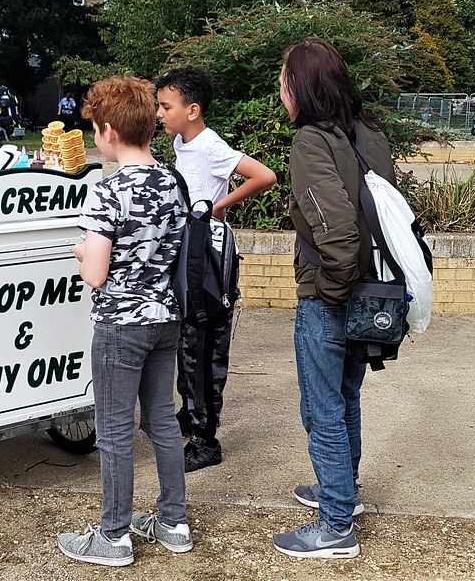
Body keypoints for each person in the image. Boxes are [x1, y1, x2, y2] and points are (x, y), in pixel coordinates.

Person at [57, 75, 192, 567]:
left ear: (109, 131)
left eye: (94, 128)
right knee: (161, 420)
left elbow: (95, 273)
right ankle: (173, 522)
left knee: (114, 429)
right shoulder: (172, 182)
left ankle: (112, 536)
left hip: (120, 322)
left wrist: (79, 250)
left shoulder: (106, 190)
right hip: (166, 318)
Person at [272, 37, 395, 560]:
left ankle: (336, 526)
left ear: (300, 87)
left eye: (283, 79)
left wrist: (328, 296)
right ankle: (342, 493)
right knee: (345, 399)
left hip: (334, 295)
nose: (280, 88)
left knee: (321, 409)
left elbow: (340, 234)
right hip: (374, 292)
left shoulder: (311, 143)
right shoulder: (369, 135)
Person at [155, 66, 277, 472]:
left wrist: (221, 206)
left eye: (165, 106)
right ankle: (190, 415)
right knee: (187, 343)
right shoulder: (179, 142)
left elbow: (265, 175)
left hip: (210, 262)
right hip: (188, 259)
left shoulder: (210, 146)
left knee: (205, 348)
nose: (159, 113)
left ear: (192, 110)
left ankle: (207, 439)